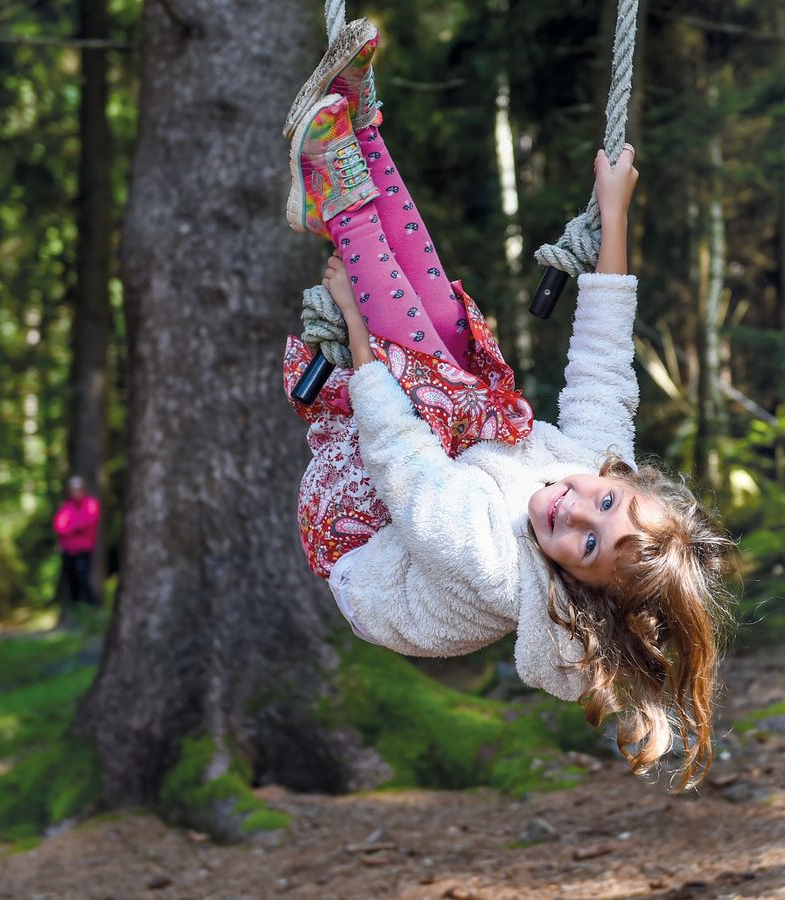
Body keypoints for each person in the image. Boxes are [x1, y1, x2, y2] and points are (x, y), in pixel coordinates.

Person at [281, 20, 734, 788]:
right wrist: (614, 210)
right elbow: (603, 364)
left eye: (589, 545)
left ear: (580, 593)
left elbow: (404, 464)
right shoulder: (583, 471)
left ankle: (337, 184)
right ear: (625, 479)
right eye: (607, 499)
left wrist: (358, 323)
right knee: (454, 339)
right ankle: (362, 134)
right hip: (434, 457)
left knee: (436, 383)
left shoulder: (495, 568)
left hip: (359, 532)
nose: (576, 507)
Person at [52, 475, 100, 609]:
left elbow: (87, 522)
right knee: (72, 584)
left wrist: (71, 527)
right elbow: (59, 526)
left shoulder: (90, 504)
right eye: (73, 490)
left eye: (78, 490)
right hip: (68, 551)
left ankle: (94, 609)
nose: (76, 493)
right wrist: (74, 528)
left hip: (84, 550)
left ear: (83, 490)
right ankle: (77, 613)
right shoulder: (67, 507)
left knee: (83, 581)